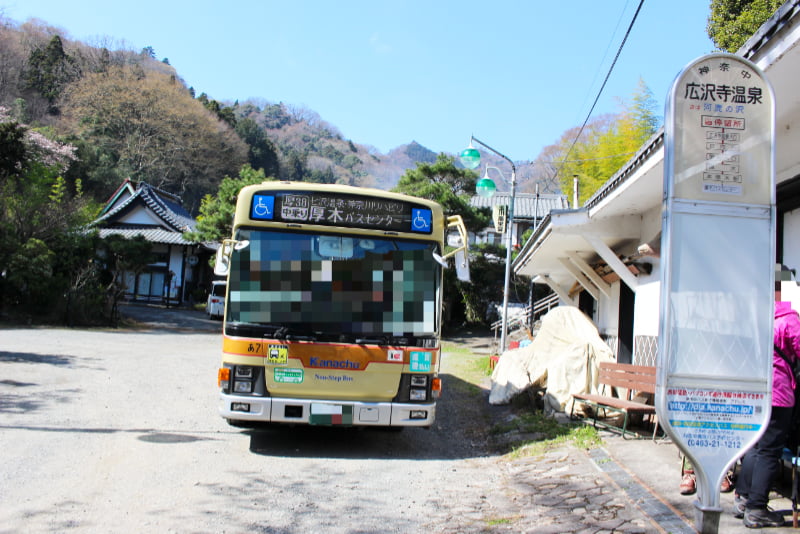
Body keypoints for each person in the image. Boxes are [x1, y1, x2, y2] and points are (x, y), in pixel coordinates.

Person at [733, 284, 800, 528]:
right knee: (770, 450)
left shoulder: (754, 318)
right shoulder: (789, 319)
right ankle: (757, 509)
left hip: (756, 391)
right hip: (779, 393)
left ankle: (743, 499)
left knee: (756, 445)